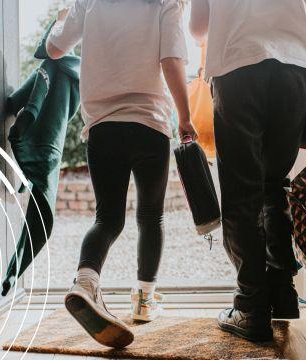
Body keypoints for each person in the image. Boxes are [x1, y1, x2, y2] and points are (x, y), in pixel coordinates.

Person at [190, 0, 306, 342]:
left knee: (241, 192)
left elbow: (197, 27)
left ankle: (251, 306)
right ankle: (282, 291)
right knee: (274, 183)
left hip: (238, 66)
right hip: (293, 67)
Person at [46, 0, 196, 349]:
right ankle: (144, 301)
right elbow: (172, 60)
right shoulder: (165, 3)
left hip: (103, 129)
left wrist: (63, 19)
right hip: (149, 125)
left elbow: (54, 49)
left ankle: (85, 283)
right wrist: (185, 118)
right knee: (151, 217)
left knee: (108, 220)